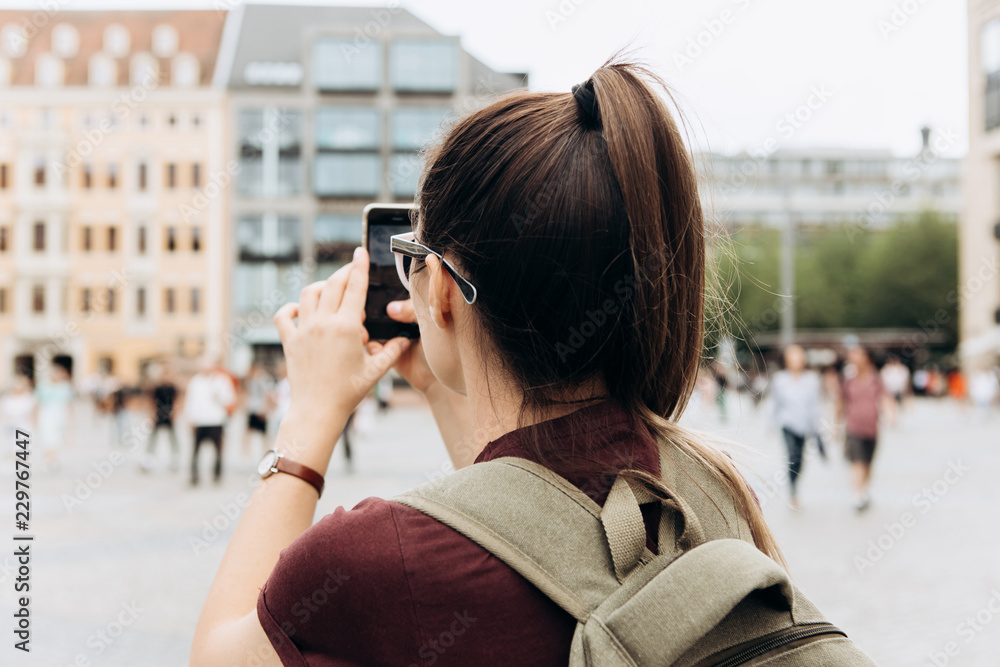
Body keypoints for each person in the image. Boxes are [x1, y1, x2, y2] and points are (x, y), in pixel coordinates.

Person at [191, 61, 793, 665]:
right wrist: (442, 383)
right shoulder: (710, 492)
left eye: (414, 258)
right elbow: (522, 525)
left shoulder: (377, 557)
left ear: (446, 292)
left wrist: (311, 417)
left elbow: (217, 657)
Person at [839, 346, 894, 512]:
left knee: (868, 464)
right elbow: (841, 402)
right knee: (857, 462)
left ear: (867, 357)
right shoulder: (848, 379)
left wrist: (891, 413)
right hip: (853, 427)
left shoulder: (876, 379)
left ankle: (863, 490)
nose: (853, 357)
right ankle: (858, 494)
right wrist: (835, 424)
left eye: (857, 354)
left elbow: (885, 398)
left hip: (872, 428)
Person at [769, 345, 822, 510]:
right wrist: (770, 424)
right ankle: (793, 491)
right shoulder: (780, 379)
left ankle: (795, 484)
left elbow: (814, 406)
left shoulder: (811, 380)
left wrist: (816, 427)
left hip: (804, 425)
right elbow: (775, 403)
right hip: (787, 424)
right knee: (792, 455)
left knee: (800, 460)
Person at [183, 355, 236, 486]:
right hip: (199, 420)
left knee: (217, 450)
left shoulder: (222, 380)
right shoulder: (195, 381)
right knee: (195, 450)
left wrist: (219, 398)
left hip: (216, 420)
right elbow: (190, 401)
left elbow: (230, 400)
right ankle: (194, 476)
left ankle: (217, 475)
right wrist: (189, 418)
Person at [141, 362, 181, 473]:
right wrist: (151, 414)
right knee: (153, 440)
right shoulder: (157, 388)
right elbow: (150, 402)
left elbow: (177, 401)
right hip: (158, 416)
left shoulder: (173, 388)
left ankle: (175, 461)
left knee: (173, 440)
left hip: (169, 417)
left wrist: (175, 413)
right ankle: (148, 462)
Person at [35, 363, 74, 471]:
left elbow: (69, 404)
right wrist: (35, 418)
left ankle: (54, 459)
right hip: (47, 413)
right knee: (47, 437)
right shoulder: (43, 386)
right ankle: (47, 459)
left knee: (57, 438)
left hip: (60, 413)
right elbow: (37, 403)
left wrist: (70, 420)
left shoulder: (65, 387)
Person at [0, 375, 37, 476]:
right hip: (9, 427)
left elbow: (33, 412)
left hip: (24, 426)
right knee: (10, 447)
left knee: (22, 448)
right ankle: (12, 466)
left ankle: (22, 467)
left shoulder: (29, 397)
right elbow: (3, 412)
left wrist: (34, 424)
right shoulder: (7, 397)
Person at [240, 362, 274, 461]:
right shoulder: (252, 381)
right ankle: (247, 454)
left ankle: (265, 453)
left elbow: (267, 395)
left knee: (263, 434)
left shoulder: (262, 380)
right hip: (253, 409)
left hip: (259, 409)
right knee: (249, 432)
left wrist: (265, 409)